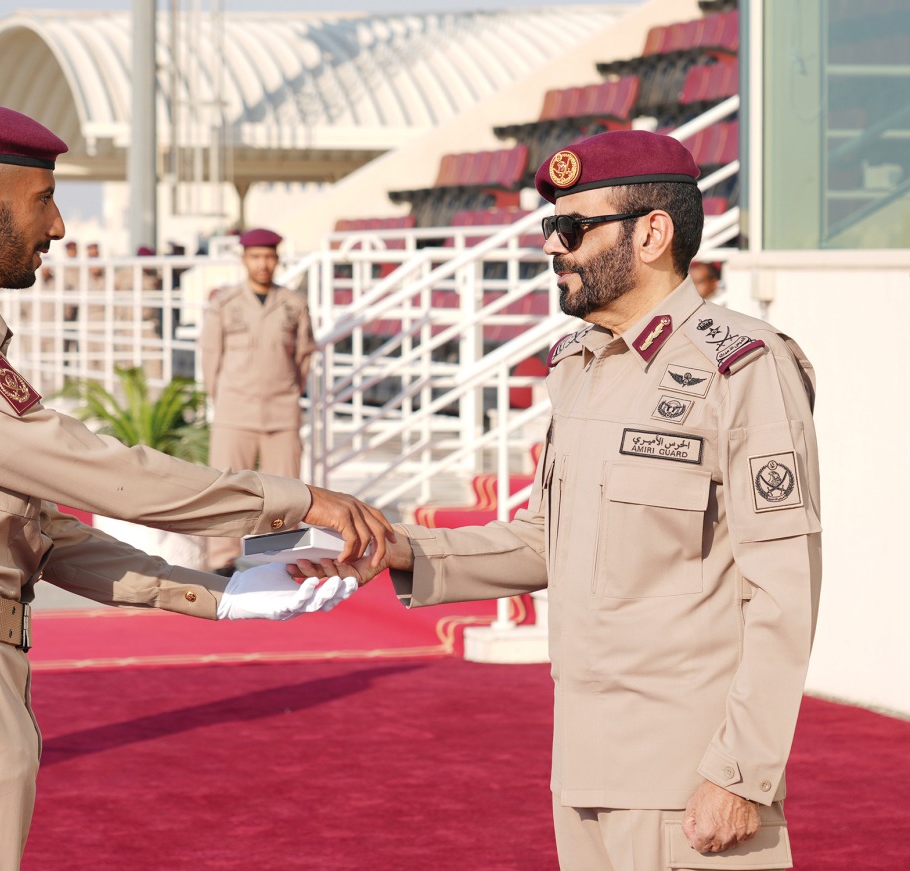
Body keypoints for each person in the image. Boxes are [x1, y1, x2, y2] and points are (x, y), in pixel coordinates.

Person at [0, 100, 391, 871]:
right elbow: (107, 474)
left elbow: (40, 534)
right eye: (45, 200)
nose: (60, 226)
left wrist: (213, 592)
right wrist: (296, 499)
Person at [299, 130, 820, 871]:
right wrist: (400, 546)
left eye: (572, 228)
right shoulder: (578, 366)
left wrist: (740, 773)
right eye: (552, 227)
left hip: (690, 780)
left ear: (652, 232)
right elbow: (548, 539)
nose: (552, 247)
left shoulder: (743, 367)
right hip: (582, 772)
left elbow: (783, 595)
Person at [200, 228, 316, 573]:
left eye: (268, 256)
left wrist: (290, 392)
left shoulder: (294, 304)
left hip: (282, 410)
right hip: (235, 410)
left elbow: (304, 356)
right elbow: (211, 357)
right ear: (244, 259)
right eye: (255, 257)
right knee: (225, 489)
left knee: (286, 493)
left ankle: (281, 561)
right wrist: (221, 399)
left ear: (277, 259)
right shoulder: (224, 304)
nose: (262, 264)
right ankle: (222, 560)